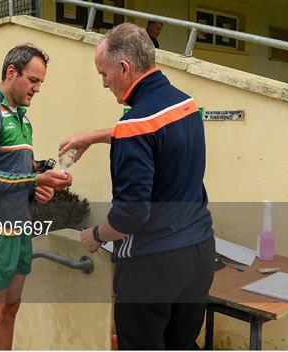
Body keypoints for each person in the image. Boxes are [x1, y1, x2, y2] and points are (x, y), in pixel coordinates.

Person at [59, 23, 215, 350]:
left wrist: (96, 235)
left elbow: (130, 216)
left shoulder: (134, 126)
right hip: (199, 254)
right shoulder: (185, 105)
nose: (104, 83)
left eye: (104, 74)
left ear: (125, 69)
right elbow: (157, 136)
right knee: (182, 343)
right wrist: (97, 135)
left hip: (152, 266)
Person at [0, 44, 72, 350]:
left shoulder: (21, 117)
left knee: (10, 310)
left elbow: (16, 170)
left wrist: (41, 183)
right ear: (12, 72)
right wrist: (35, 178)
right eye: (33, 80)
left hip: (18, 228)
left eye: (40, 83)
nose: (37, 89)